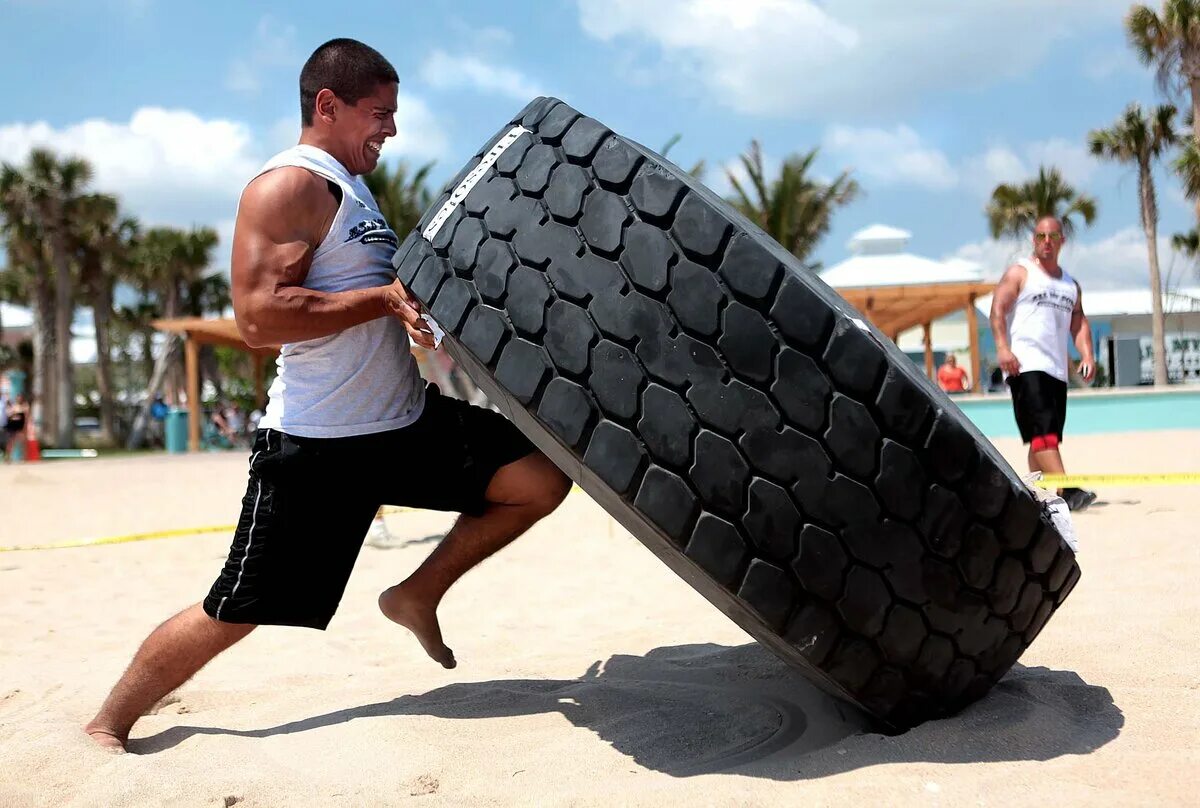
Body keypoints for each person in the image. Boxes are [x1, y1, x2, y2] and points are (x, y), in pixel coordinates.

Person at [85, 38, 570, 752]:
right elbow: (258, 318)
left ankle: (417, 593)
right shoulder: (287, 186)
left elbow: (373, 299)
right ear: (328, 105)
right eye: (380, 113)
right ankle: (109, 721)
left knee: (539, 479)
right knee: (237, 610)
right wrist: (380, 300)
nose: (392, 129)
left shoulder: (355, 189)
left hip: (405, 423)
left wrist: (417, 316)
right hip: (319, 445)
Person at [990, 215, 1096, 512]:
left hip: (1056, 370)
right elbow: (998, 308)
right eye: (1040, 236)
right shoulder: (1021, 273)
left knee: (1044, 437)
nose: (1046, 242)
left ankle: (1032, 493)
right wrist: (1002, 347)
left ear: (1062, 240)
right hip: (1025, 365)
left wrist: (1086, 354)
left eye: (1052, 236)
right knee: (1043, 432)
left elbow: (1079, 321)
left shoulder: (1070, 284)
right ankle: (1066, 489)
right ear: (1033, 241)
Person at [3, 393, 28, 463]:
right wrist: (13, 412)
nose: (19, 399)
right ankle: (7, 458)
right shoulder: (13, 406)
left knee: (22, 442)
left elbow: (26, 417)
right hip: (12, 426)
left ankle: (23, 458)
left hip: (20, 426)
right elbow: (8, 414)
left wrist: (25, 427)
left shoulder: (24, 406)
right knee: (11, 442)